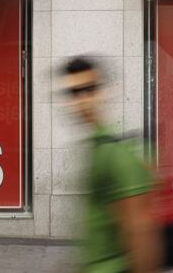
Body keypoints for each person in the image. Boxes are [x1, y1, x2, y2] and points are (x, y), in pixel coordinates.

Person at [61, 57, 162, 273]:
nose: (82, 100)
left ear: (104, 92)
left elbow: (140, 236)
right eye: (74, 93)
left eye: (90, 89)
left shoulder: (116, 152)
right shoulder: (95, 146)